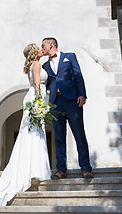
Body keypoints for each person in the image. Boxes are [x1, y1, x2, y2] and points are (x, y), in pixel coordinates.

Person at [0, 43, 51, 206]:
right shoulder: (37, 64)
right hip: (35, 99)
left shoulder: (31, 65)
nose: (41, 49)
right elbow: (38, 85)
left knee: (31, 134)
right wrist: (40, 103)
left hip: (30, 97)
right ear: (35, 52)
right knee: (34, 135)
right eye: (38, 48)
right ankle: (32, 171)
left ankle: (31, 170)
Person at [41, 37, 93, 179]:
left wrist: (82, 94)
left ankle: (86, 168)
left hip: (72, 100)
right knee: (58, 137)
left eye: (43, 45)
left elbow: (78, 76)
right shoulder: (45, 66)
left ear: (51, 45)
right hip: (56, 102)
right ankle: (61, 169)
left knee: (79, 135)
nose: (42, 48)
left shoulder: (69, 57)